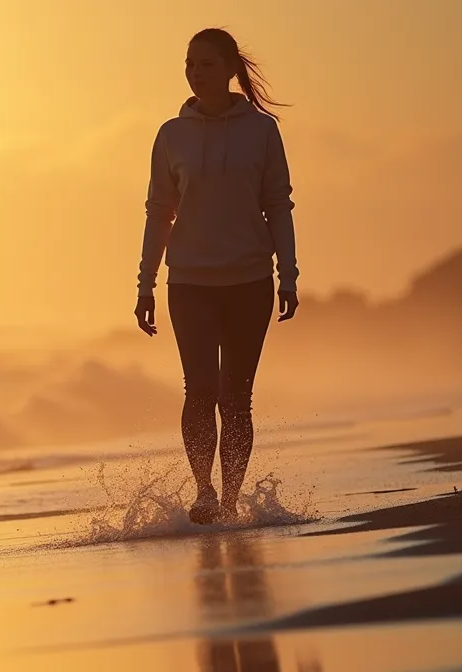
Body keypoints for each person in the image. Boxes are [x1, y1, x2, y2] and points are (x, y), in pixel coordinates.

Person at [133, 28, 299, 525]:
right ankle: (205, 492)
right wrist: (145, 283)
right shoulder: (171, 134)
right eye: (189, 63)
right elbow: (159, 211)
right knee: (200, 390)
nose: (194, 71)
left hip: (250, 281)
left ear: (228, 69)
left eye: (205, 63)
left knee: (236, 397)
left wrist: (287, 274)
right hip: (189, 283)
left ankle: (230, 502)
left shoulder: (262, 131)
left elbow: (278, 206)